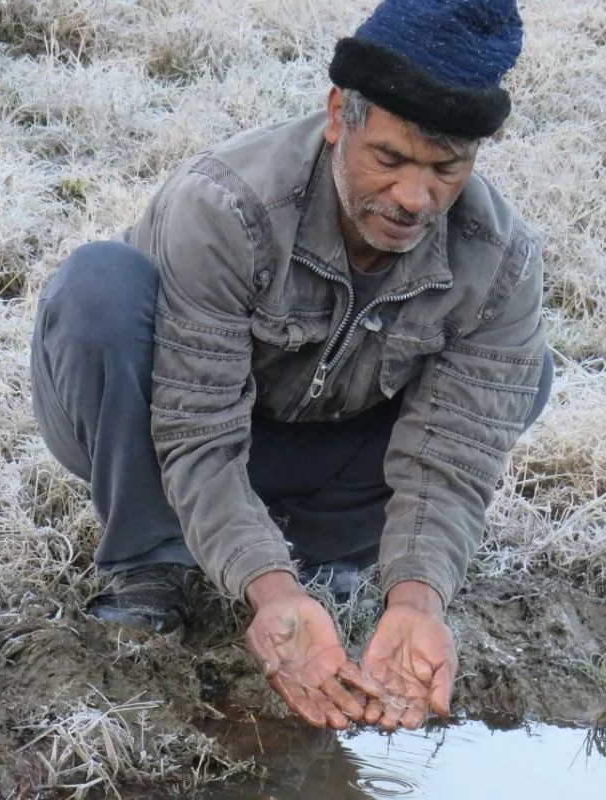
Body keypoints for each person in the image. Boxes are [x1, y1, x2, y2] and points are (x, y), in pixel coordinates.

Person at [29, 0, 552, 732]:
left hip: (312, 446)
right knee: (101, 286)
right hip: (149, 431)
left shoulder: (500, 260)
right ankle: (151, 561)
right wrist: (269, 593)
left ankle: (328, 554)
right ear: (340, 114)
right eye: (391, 159)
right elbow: (196, 427)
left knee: (530, 371)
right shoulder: (226, 205)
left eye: (446, 169)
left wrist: (416, 600)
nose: (414, 198)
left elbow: (454, 458)